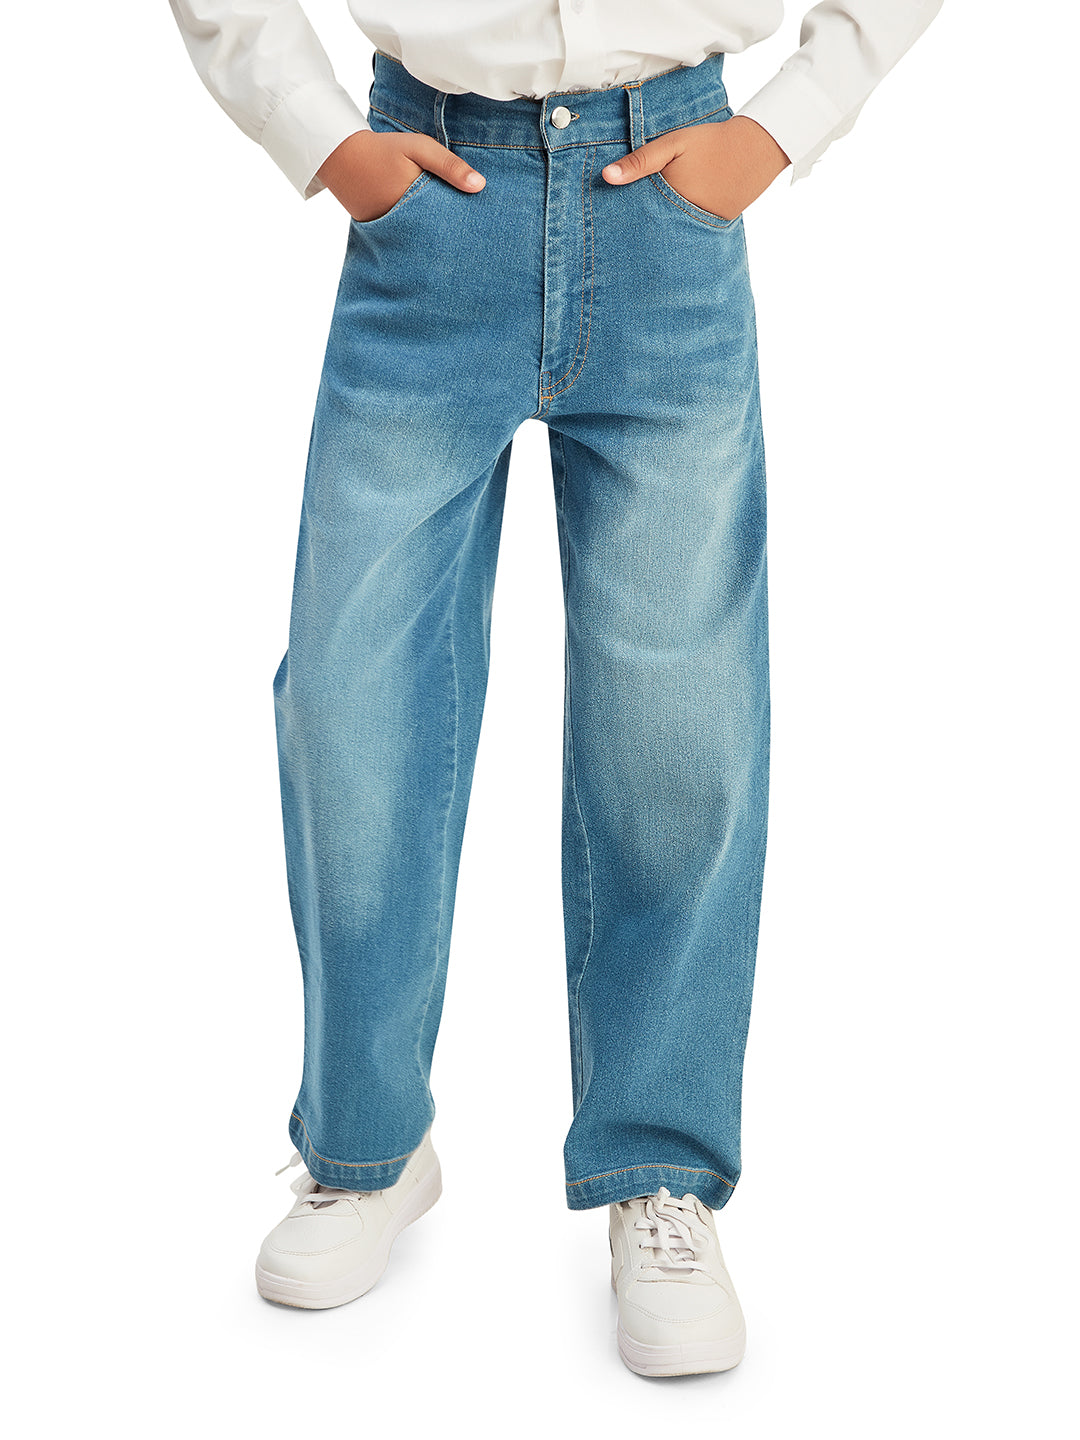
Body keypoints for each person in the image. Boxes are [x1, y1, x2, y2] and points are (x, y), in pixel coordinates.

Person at [167, 0, 942, 1377]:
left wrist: (788, 122)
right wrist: (318, 134)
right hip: (430, 202)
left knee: (679, 726)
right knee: (349, 703)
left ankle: (663, 1170)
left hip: (669, 200)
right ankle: (366, 1146)